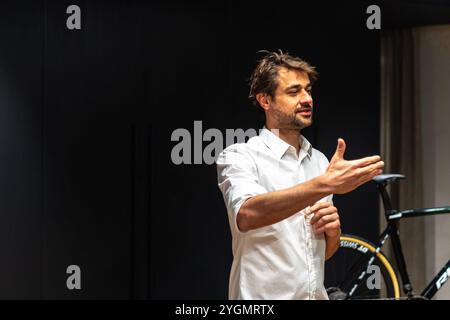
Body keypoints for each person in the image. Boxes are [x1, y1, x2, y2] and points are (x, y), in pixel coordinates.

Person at [216, 50, 384, 300]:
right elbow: (247, 214)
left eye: (308, 90)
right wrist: (324, 184)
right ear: (265, 100)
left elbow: (320, 254)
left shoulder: (318, 160)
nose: (307, 99)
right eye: (294, 92)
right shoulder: (239, 156)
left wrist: (333, 234)